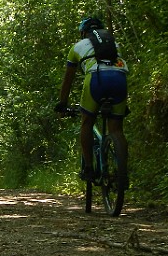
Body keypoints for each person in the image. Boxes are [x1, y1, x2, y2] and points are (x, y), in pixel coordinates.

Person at [55, 17, 129, 187]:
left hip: (96, 80)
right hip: (119, 80)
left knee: (87, 122)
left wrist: (62, 103)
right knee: (116, 130)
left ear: (83, 33)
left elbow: (68, 79)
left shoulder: (78, 47)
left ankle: (88, 168)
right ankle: (123, 174)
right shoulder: (114, 45)